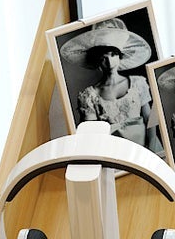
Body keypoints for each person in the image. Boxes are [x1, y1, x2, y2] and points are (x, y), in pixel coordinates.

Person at [60, 16, 163, 157]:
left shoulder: (137, 83)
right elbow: (91, 135)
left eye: (113, 55)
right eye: (103, 57)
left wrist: (150, 148)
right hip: (113, 154)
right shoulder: (90, 95)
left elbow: (148, 118)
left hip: (145, 149)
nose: (109, 61)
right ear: (97, 60)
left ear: (120, 57)